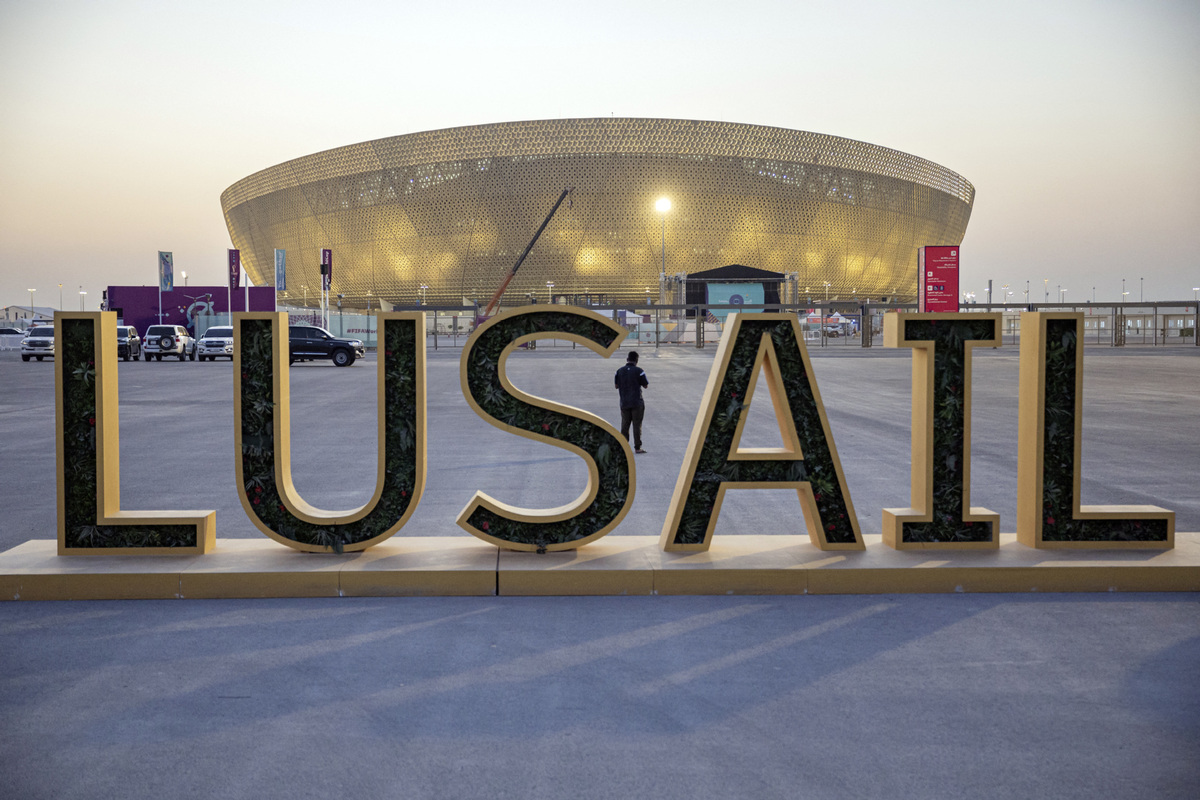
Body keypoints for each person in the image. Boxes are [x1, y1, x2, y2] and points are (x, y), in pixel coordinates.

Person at [615, 350, 649, 454]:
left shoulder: (619, 371)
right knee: (636, 425)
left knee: (625, 425)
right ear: (636, 360)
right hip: (637, 402)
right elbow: (645, 385)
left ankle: (623, 448)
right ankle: (637, 448)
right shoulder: (639, 371)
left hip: (624, 402)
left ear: (627, 359)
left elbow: (616, 386)